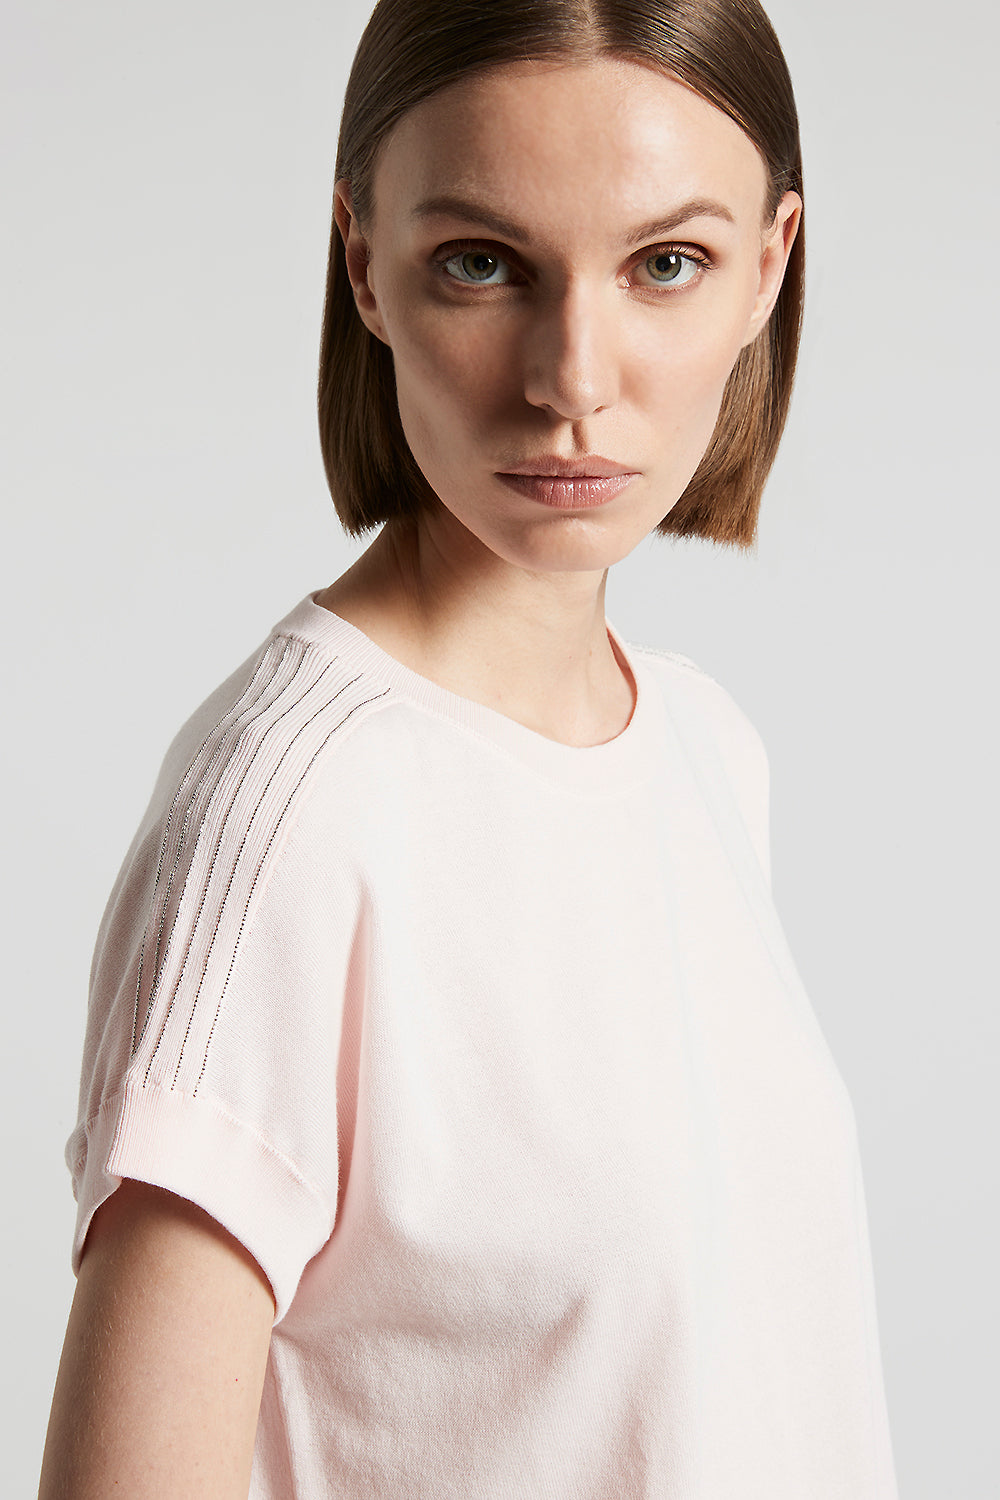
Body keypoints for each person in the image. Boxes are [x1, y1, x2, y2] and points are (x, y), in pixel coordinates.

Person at [39, 1, 899, 1496]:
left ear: (772, 265)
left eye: (666, 264)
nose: (572, 378)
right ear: (363, 263)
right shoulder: (292, 820)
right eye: (484, 263)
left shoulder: (702, 743)